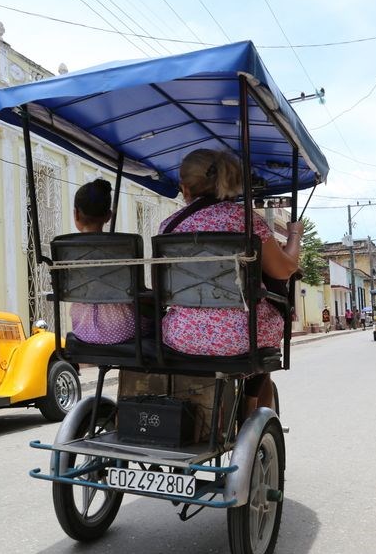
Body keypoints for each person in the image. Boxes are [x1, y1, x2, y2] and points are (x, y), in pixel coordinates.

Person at [158, 148, 302, 414]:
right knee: (268, 327)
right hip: (240, 338)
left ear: (185, 188)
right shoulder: (245, 220)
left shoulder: (168, 226)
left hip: (181, 336)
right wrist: (294, 236)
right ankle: (251, 407)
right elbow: (283, 270)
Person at [68, 179, 146, 344]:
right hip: (125, 329)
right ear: (109, 216)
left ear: (76, 214)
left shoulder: (66, 250)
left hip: (83, 330)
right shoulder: (123, 247)